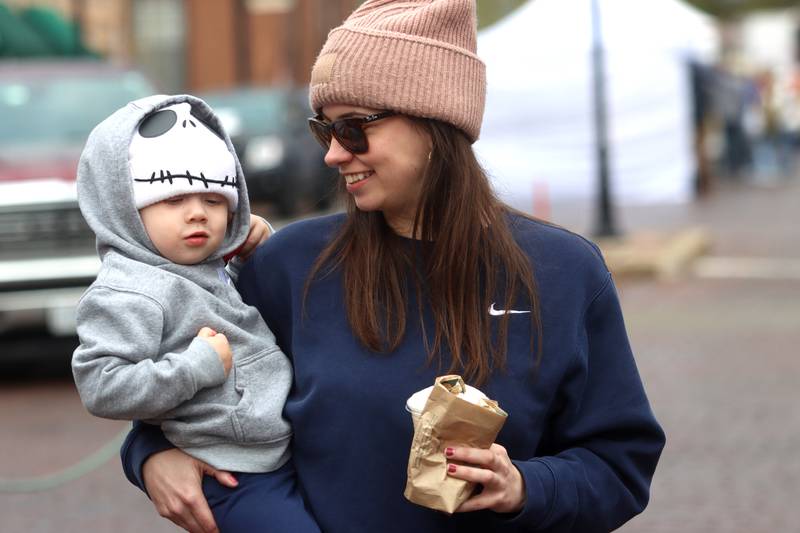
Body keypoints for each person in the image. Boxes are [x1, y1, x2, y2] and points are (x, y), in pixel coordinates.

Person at [121, 2, 666, 532]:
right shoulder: (287, 267)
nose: (334, 154)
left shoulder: (563, 272)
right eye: (325, 130)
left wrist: (524, 486)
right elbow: (186, 392)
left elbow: (619, 464)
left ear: (436, 121)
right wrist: (150, 454)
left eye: (355, 128)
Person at [71, 94, 320, 532]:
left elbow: (236, 320)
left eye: (214, 199)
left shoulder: (195, 268)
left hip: (274, 455)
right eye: (172, 200)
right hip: (228, 472)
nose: (197, 214)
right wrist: (194, 368)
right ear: (125, 209)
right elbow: (102, 385)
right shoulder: (129, 290)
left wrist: (248, 257)